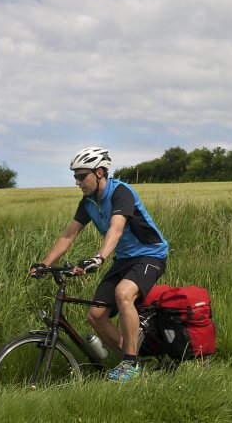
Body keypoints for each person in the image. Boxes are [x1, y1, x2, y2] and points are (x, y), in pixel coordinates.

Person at [29, 146, 169, 382]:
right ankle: (134, 362)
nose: (77, 182)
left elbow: (116, 228)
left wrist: (99, 258)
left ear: (100, 172)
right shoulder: (87, 202)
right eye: (75, 176)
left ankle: (130, 366)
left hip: (150, 255)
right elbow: (68, 236)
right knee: (95, 316)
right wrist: (43, 264)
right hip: (124, 259)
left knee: (123, 293)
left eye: (82, 176)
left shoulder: (120, 193)